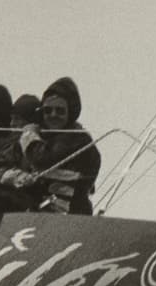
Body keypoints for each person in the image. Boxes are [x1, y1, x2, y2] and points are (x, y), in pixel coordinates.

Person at [20, 77, 101, 214]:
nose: (53, 115)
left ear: (71, 112)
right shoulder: (46, 137)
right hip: (42, 213)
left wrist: (28, 136)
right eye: (47, 110)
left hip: (70, 216)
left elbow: (42, 159)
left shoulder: (78, 138)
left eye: (60, 111)